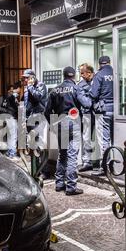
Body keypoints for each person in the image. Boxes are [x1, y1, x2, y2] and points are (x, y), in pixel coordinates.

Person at [45, 66, 92, 196]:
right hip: (74, 123)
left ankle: (59, 183)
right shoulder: (76, 88)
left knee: (63, 154)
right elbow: (87, 104)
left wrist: (53, 125)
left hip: (60, 123)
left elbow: (47, 111)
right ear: (73, 76)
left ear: (64, 75)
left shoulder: (55, 90)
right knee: (72, 155)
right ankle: (71, 187)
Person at [22, 69, 50, 179]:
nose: (25, 80)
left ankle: (45, 171)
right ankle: (36, 169)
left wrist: (30, 87)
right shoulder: (27, 88)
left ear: (32, 77)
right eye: (24, 78)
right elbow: (26, 105)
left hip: (39, 117)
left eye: (27, 77)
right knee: (32, 144)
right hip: (30, 119)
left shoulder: (40, 85)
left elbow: (38, 97)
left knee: (41, 144)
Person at [90, 56, 114, 176]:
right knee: (115, 139)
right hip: (118, 109)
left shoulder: (99, 75)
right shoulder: (116, 72)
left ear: (99, 64)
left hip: (104, 110)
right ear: (109, 63)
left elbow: (94, 94)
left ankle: (105, 166)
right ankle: (115, 165)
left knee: (104, 139)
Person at [78, 63, 95, 172]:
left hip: (99, 113)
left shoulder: (97, 81)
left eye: (82, 73)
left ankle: (103, 161)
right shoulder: (80, 85)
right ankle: (87, 161)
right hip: (87, 114)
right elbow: (86, 102)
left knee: (101, 138)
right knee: (86, 138)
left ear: (89, 73)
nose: (80, 75)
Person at [0, 85, 20, 159]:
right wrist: (6, 111)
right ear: (7, 91)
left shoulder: (13, 98)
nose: (12, 92)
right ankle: (11, 152)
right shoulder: (3, 97)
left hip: (11, 118)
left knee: (11, 135)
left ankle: (10, 151)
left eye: (13, 91)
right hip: (7, 118)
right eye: (11, 91)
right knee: (11, 135)